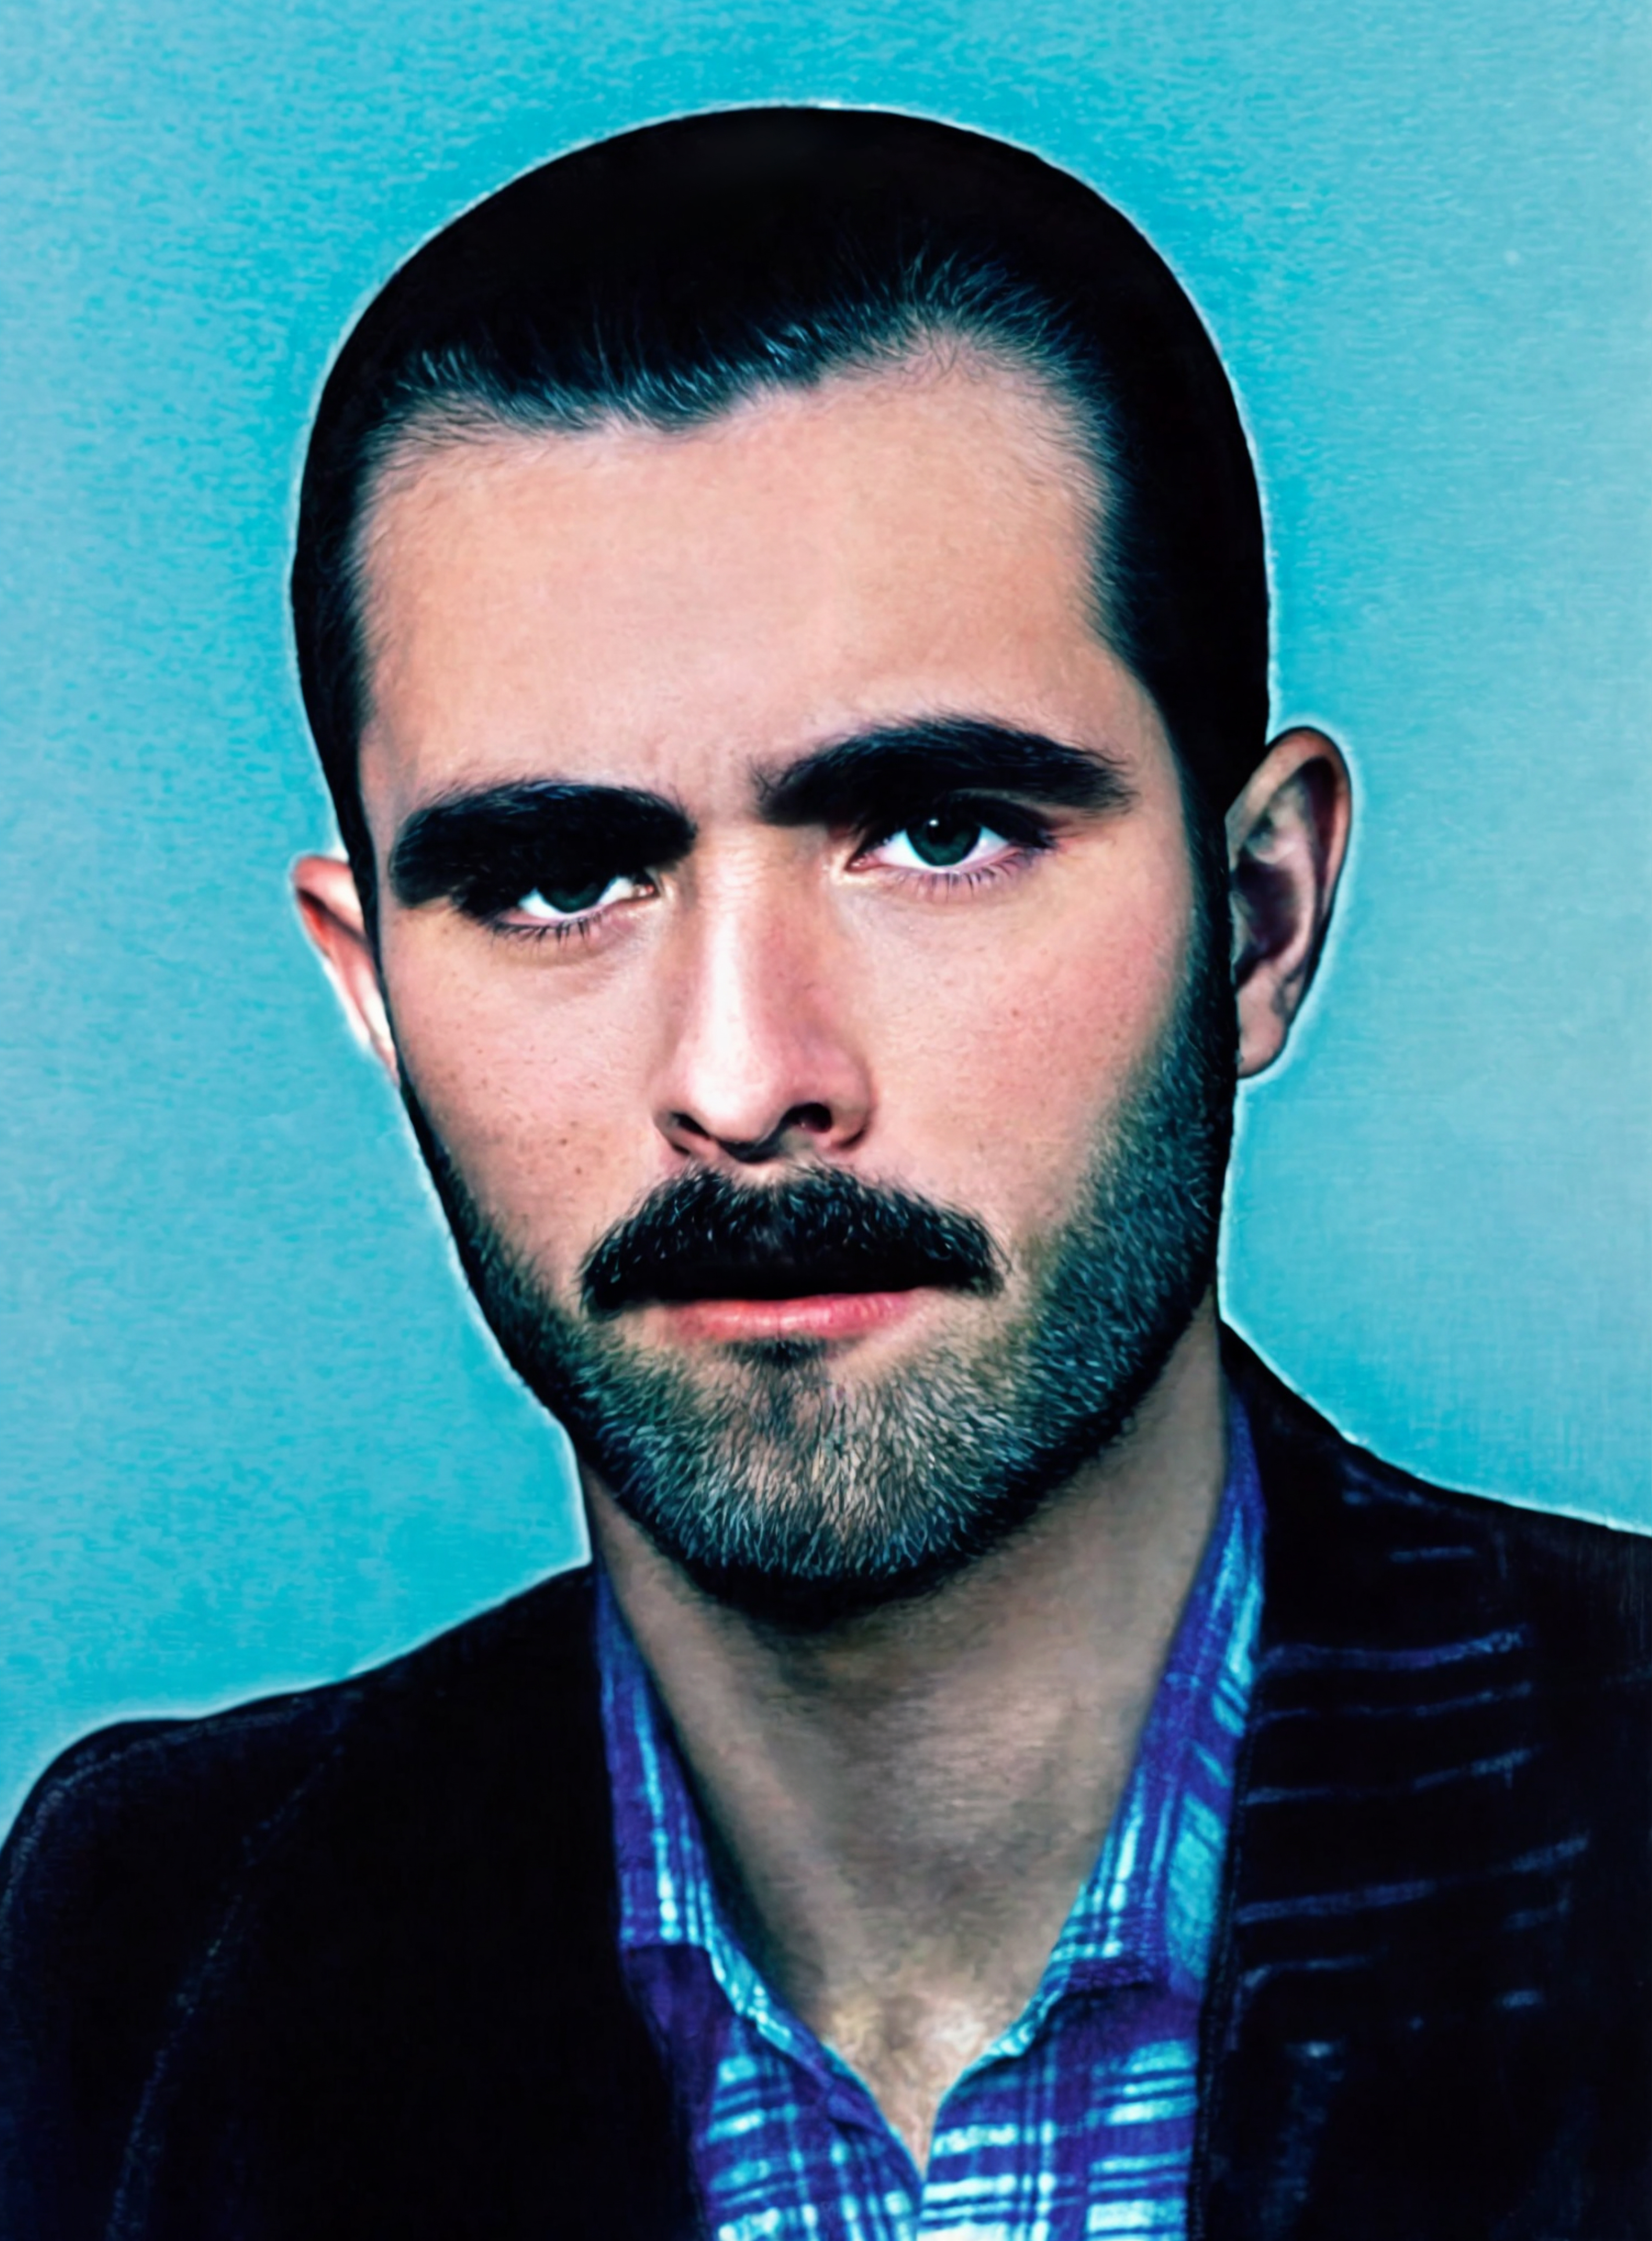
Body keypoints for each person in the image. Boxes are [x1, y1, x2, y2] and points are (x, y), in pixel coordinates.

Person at [1, 106, 1646, 2241]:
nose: (742, 1079)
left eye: (936, 833)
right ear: (372, 985)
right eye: (557, 878)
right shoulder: (134, 1960)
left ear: (1256, 915)